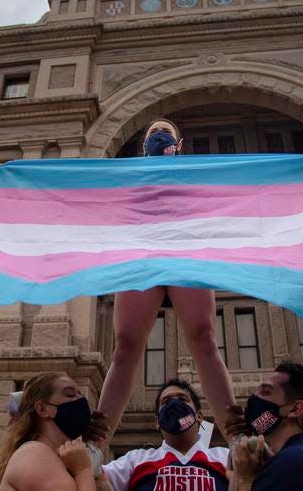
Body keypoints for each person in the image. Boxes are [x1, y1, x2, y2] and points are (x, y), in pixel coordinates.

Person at [95, 118, 241, 442]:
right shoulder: (126, 177)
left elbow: (242, 183)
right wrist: (18, 181)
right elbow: (82, 194)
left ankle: (237, 435)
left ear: (180, 144)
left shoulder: (195, 175)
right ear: (142, 144)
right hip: (140, 256)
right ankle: (96, 441)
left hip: (185, 251)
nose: (158, 136)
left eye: (166, 132)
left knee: (204, 338)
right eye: (152, 132)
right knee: (125, 347)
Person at [101, 378, 230, 491]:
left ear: (200, 416)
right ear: (157, 421)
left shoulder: (226, 458)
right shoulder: (134, 461)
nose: (174, 404)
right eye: (166, 402)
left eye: (182, 399)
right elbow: (93, 478)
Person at [228, 361, 303, 491]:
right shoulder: (295, 458)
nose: (254, 398)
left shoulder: (296, 461)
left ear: (295, 409)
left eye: (266, 392)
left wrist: (245, 480)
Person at [0, 372, 100, 491]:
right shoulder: (34, 454)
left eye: (81, 394)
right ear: (42, 409)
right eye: (70, 394)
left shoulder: (62, 457)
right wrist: (82, 470)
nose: (82, 400)